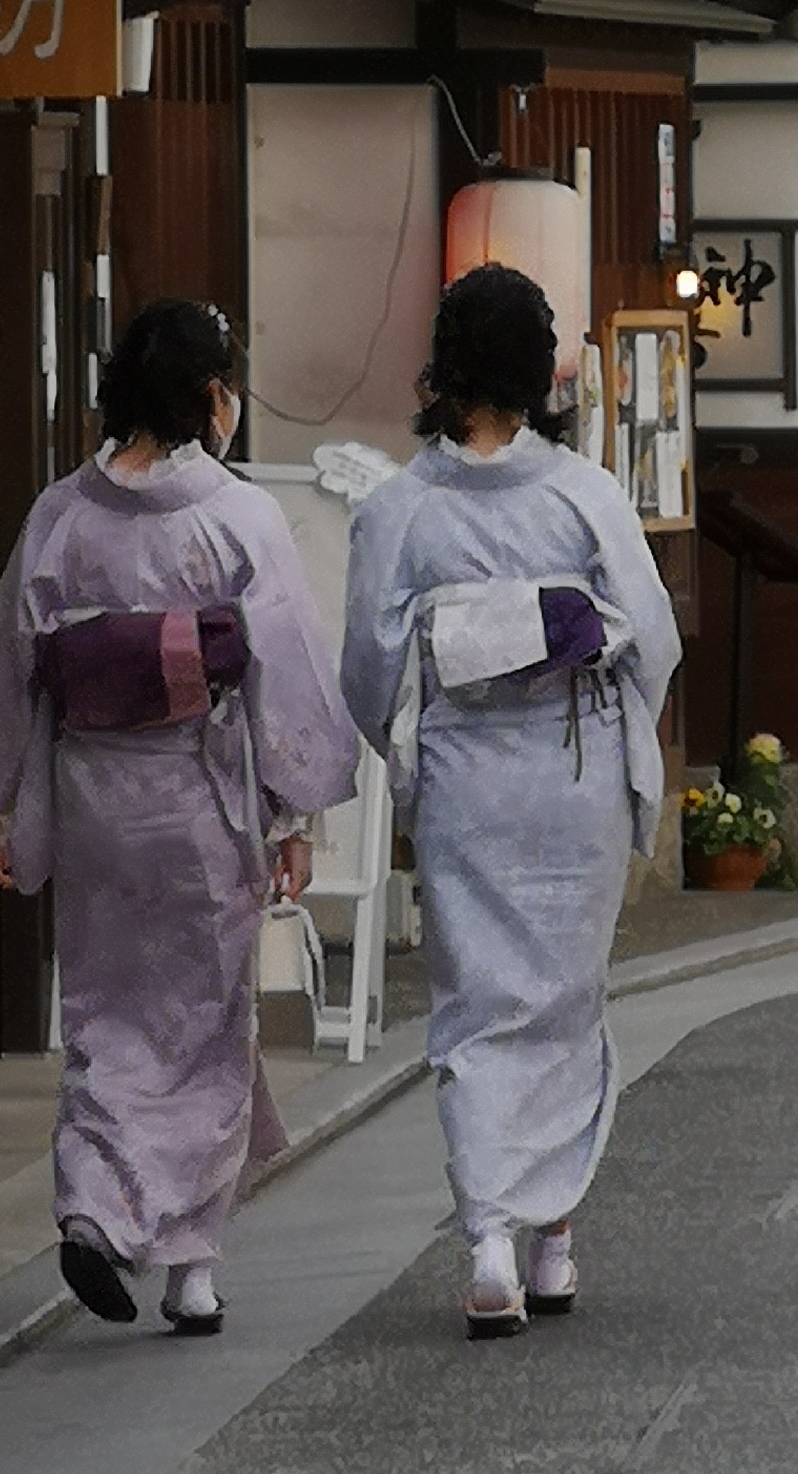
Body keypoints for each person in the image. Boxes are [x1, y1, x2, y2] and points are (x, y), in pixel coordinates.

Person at [0, 298, 356, 1335]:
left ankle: (100, 1201)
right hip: (197, 799)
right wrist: (296, 810)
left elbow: (7, 672)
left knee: (108, 1018)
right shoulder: (236, 517)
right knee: (206, 1027)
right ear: (213, 399)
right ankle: (185, 1264)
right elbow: (285, 674)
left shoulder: (59, 516)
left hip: (92, 803)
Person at [343, 264, 680, 1338]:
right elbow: (655, 640)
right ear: (540, 371)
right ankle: (554, 1240)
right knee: (565, 1000)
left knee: (478, 1004)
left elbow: (365, 664)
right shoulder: (582, 495)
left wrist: (420, 742)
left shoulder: (400, 509)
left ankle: (491, 1233)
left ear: (444, 370)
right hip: (570, 771)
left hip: (465, 781)